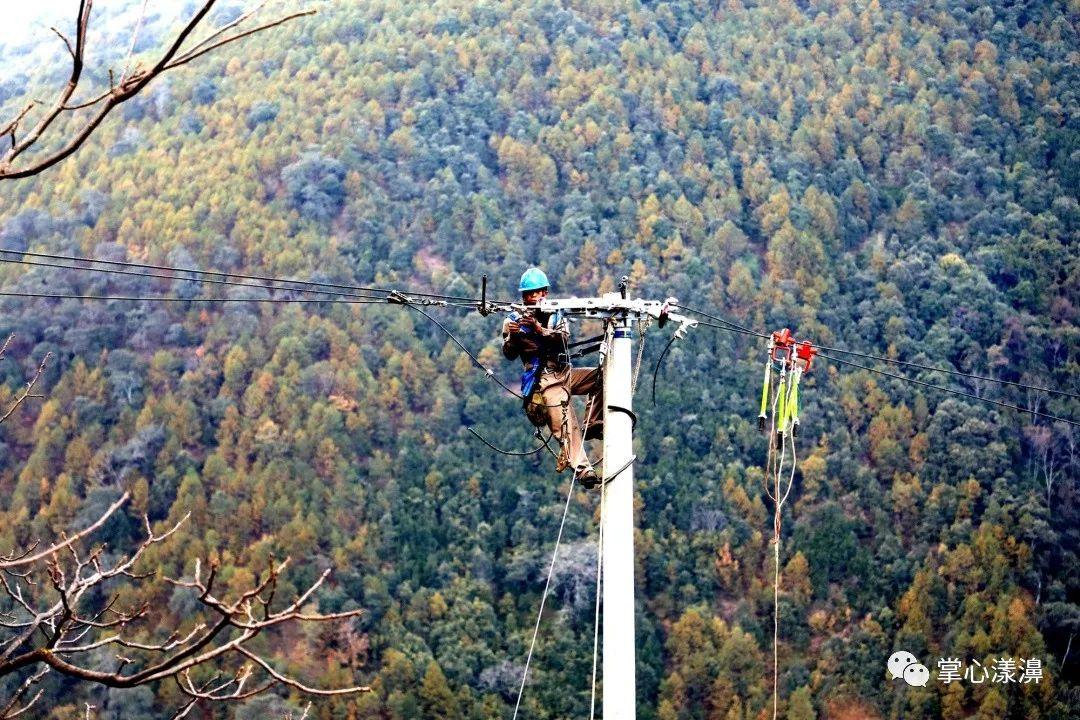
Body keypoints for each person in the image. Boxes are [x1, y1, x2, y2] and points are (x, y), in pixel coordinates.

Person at [502, 267, 603, 488]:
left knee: (601, 377)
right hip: (545, 380)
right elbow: (509, 353)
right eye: (530, 294)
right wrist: (513, 337)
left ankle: (594, 423)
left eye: (539, 292)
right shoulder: (513, 319)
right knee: (564, 425)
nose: (535, 297)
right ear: (524, 296)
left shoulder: (556, 314)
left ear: (545, 292)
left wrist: (540, 330)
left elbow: (563, 339)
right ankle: (584, 468)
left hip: (564, 371)